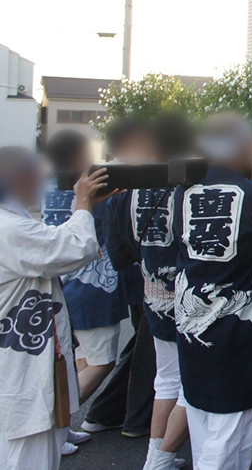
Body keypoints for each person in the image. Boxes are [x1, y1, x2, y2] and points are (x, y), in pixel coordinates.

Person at [173, 113, 252, 470]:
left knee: (205, 424)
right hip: (238, 333)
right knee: (230, 436)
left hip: (192, 328)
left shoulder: (184, 194)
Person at [0, 148, 111, 470]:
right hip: (21, 364)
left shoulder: (12, 219)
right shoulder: (8, 227)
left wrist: (85, 208)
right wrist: (82, 204)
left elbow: (49, 242)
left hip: (19, 354)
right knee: (28, 451)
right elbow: (71, 248)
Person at [104, 114, 195, 470]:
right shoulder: (192, 185)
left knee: (166, 379)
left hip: (154, 292)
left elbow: (119, 254)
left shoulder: (128, 188)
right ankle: (161, 457)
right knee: (193, 381)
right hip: (193, 296)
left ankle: (155, 456)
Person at [82, 118, 158, 442]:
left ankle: (107, 413)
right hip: (143, 272)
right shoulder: (131, 173)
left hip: (129, 270)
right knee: (148, 348)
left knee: (142, 343)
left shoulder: (118, 170)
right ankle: (131, 418)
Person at [45, 130, 129, 409]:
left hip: (61, 284)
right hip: (92, 286)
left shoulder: (47, 187)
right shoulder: (90, 186)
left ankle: (63, 424)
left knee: (80, 357)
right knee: (102, 362)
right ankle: (59, 418)